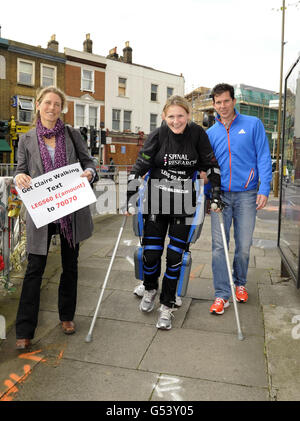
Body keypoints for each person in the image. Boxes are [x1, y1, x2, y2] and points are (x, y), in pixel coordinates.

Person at [126, 95, 221, 330]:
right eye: (171, 116)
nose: (176, 121)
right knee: (150, 254)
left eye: (180, 116)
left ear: (188, 116)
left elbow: (211, 166)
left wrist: (216, 194)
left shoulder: (198, 134)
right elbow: (141, 165)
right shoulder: (157, 135)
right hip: (157, 198)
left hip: (182, 201)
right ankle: (150, 289)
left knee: (175, 257)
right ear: (164, 117)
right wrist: (129, 195)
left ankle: (167, 306)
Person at [14, 86, 97, 349]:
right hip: (42, 211)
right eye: (47, 103)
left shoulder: (72, 135)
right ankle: (24, 330)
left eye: (56, 104)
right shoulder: (26, 139)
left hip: (70, 210)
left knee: (70, 266)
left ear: (61, 108)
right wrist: (19, 178)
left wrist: (90, 174)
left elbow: (89, 163)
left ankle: (67, 317)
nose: (51, 108)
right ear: (38, 105)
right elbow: (20, 171)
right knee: (34, 269)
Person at [206, 83, 272, 315]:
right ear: (213, 104)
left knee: (243, 246)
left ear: (234, 101)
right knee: (218, 247)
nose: (222, 106)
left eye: (226, 101)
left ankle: (240, 283)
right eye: (218, 102)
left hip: (247, 194)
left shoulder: (253, 124)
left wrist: (265, 187)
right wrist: (207, 195)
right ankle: (222, 294)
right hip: (221, 196)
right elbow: (207, 167)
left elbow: (264, 155)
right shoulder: (210, 133)